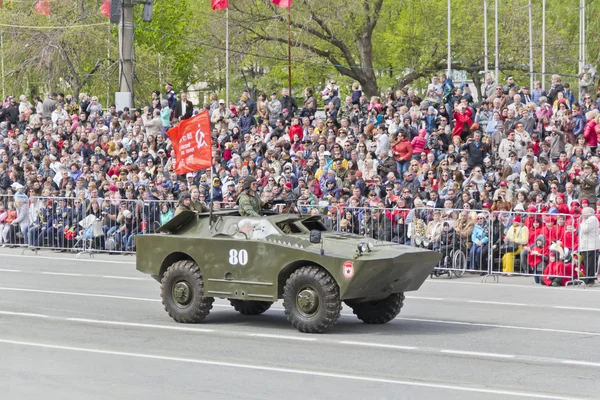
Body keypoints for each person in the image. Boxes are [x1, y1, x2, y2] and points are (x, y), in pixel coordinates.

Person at [579, 206, 600, 286]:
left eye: (584, 213)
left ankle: (589, 281)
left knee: (590, 264)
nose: (582, 215)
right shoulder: (589, 219)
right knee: (586, 263)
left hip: (590, 245)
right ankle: (588, 279)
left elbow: (585, 229)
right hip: (586, 245)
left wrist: (583, 221)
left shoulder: (592, 219)